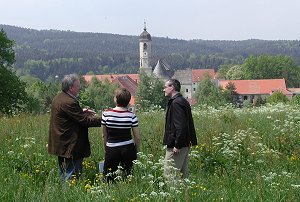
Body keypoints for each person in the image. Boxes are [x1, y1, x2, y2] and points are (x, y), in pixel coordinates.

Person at [48, 74, 102, 181]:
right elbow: (84, 121)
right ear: (71, 88)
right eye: (78, 86)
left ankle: (62, 195)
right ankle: (68, 196)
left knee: (64, 173)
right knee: (71, 176)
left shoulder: (59, 98)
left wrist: (80, 112)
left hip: (62, 143)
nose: (79, 88)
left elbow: (69, 116)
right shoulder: (69, 102)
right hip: (70, 144)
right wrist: (106, 119)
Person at [101, 88, 141, 182]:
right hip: (128, 148)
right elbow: (137, 137)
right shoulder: (131, 116)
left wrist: (106, 148)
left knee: (109, 177)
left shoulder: (106, 114)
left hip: (111, 148)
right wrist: (136, 151)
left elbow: (104, 135)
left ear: (116, 99)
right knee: (128, 176)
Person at [163, 79, 198, 178]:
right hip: (184, 144)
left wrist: (177, 145)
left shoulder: (176, 103)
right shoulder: (182, 101)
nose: (163, 89)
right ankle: (185, 194)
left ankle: (174, 194)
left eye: (165, 87)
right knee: (183, 176)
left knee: (170, 175)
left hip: (177, 146)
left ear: (172, 87)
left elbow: (181, 126)